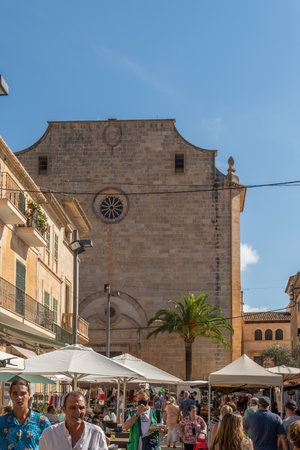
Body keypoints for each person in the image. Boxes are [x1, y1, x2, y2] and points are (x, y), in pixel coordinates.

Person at [39, 390, 108, 450]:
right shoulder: (49, 435)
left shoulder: (96, 433)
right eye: (73, 408)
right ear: (64, 409)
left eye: (81, 408)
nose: (78, 412)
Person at [0, 379, 51, 449]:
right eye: (15, 394)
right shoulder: (2, 422)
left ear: (29, 395)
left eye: (23, 393)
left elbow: (51, 446)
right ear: (10, 395)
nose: (19, 397)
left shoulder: (42, 421)